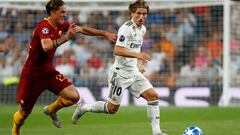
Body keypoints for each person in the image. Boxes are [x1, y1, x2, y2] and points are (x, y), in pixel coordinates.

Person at [12, 0, 117, 135]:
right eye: (62, 12)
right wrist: (67, 37)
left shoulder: (61, 25)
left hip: (48, 71)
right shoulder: (43, 27)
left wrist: (105, 34)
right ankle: (15, 130)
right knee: (25, 112)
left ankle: (51, 110)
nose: (65, 15)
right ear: (53, 12)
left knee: (74, 97)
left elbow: (82, 29)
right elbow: (46, 46)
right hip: (32, 75)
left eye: (65, 11)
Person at [72, 0, 167, 135]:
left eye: (144, 14)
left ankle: (157, 132)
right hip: (120, 74)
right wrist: (138, 55)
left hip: (133, 72)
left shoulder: (142, 29)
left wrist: (139, 63)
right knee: (112, 109)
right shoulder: (126, 28)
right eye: (138, 13)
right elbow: (118, 50)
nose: (141, 17)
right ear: (132, 13)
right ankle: (83, 108)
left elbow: (137, 47)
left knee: (153, 96)